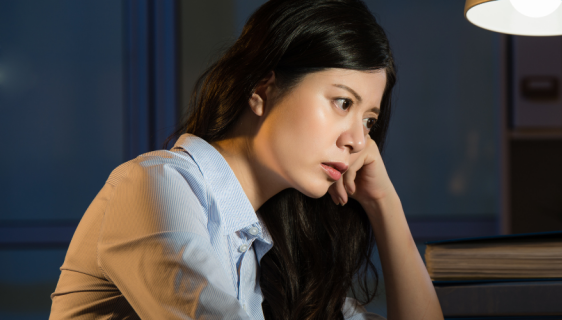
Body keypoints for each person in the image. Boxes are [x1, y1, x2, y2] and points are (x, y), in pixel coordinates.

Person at [49, 0, 443, 319]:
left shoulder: (272, 244)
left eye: (369, 121)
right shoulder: (157, 184)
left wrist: (383, 203)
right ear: (261, 90)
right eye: (342, 102)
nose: (358, 140)